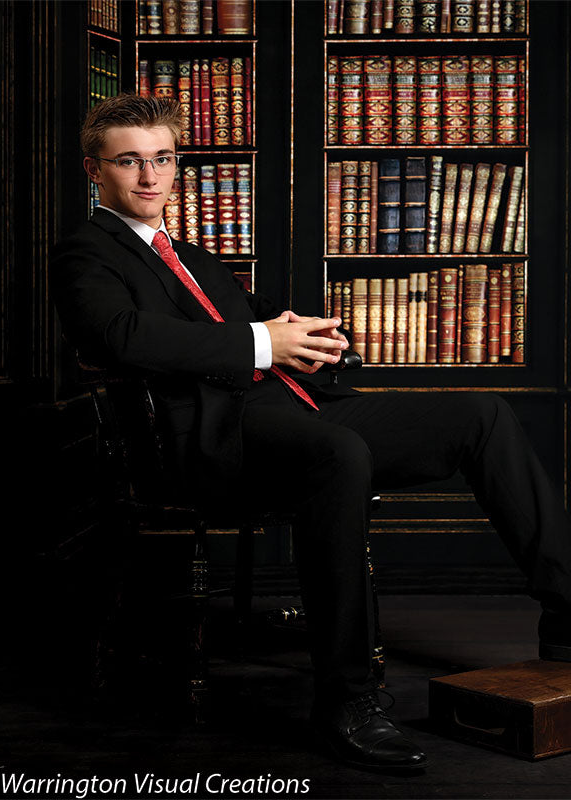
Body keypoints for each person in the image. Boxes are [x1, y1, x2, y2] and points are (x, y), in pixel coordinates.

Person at [51, 93, 571, 773]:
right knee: (339, 453)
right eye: (129, 161)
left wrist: (313, 334)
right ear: (96, 170)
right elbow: (122, 336)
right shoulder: (85, 254)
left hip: (296, 410)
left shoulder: (193, 257)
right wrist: (262, 341)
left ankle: (565, 612)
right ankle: (346, 702)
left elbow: (256, 316)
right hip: (210, 443)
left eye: (163, 159)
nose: (150, 177)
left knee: (483, 412)